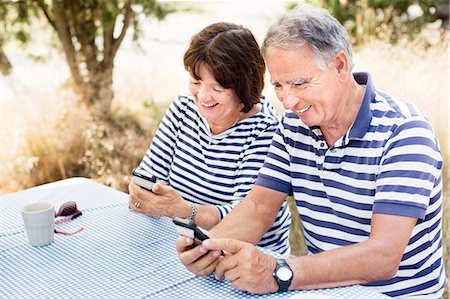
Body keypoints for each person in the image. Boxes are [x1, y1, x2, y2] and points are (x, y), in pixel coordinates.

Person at [176, 4, 446, 298]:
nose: (288, 101)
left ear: (340, 66)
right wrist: (209, 245)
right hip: (324, 291)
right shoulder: (294, 126)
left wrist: (280, 272)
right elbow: (258, 207)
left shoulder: (405, 132)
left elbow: (382, 256)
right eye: (278, 85)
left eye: (299, 83)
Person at [129, 22, 291, 255]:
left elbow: (242, 217)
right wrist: (140, 194)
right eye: (196, 82)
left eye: (217, 87)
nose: (203, 96)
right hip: (180, 244)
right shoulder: (183, 109)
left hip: (247, 258)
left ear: (244, 86)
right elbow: (145, 178)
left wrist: (183, 210)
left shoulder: (266, 130)